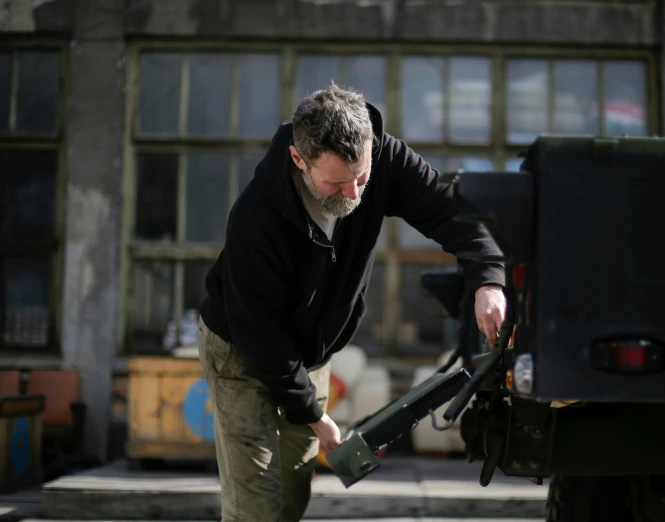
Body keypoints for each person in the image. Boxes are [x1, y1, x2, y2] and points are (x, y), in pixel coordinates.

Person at [197, 83, 508, 521]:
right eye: (337, 184)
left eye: (361, 177)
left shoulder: (385, 159)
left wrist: (487, 280)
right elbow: (261, 334)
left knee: (289, 499)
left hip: (308, 352)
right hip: (240, 351)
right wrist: (314, 415)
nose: (354, 194)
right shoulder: (256, 218)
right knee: (256, 509)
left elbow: (450, 212)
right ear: (298, 160)